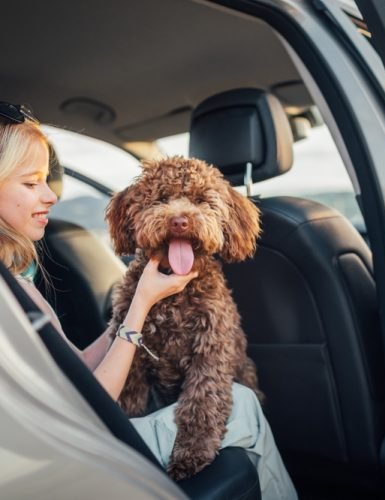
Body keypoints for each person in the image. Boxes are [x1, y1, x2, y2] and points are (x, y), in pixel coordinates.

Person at [0, 102, 298, 500]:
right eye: (31, 182)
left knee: (236, 388)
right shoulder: (10, 289)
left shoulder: (16, 279)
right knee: (243, 405)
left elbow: (76, 369)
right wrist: (140, 305)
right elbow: (94, 400)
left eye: (46, 180)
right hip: (75, 448)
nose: (50, 195)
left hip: (63, 433)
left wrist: (129, 310)